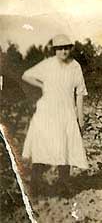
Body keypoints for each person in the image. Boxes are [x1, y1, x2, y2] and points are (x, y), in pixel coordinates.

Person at [22, 34, 88, 198]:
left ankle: (63, 185)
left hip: (66, 112)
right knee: (42, 147)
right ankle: (35, 186)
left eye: (66, 48)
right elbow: (26, 75)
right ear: (55, 50)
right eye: (60, 48)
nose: (63, 51)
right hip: (47, 111)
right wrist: (43, 85)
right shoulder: (47, 64)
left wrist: (81, 118)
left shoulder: (75, 66)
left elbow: (80, 93)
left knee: (65, 147)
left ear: (70, 48)